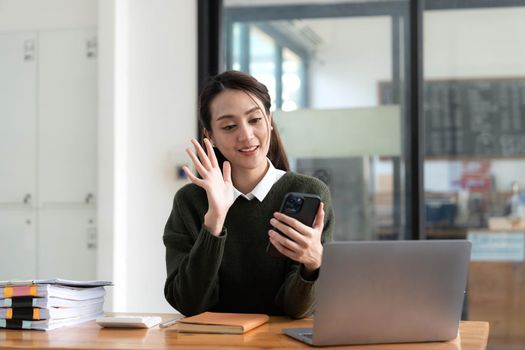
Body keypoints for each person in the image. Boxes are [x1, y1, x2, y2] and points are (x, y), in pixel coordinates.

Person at [163, 70, 334, 318]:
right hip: (213, 344)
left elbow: (297, 311)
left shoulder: (309, 192)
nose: (246, 135)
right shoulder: (190, 202)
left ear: (270, 121)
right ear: (209, 136)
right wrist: (214, 222)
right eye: (230, 126)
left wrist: (313, 265)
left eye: (254, 120)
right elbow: (189, 304)